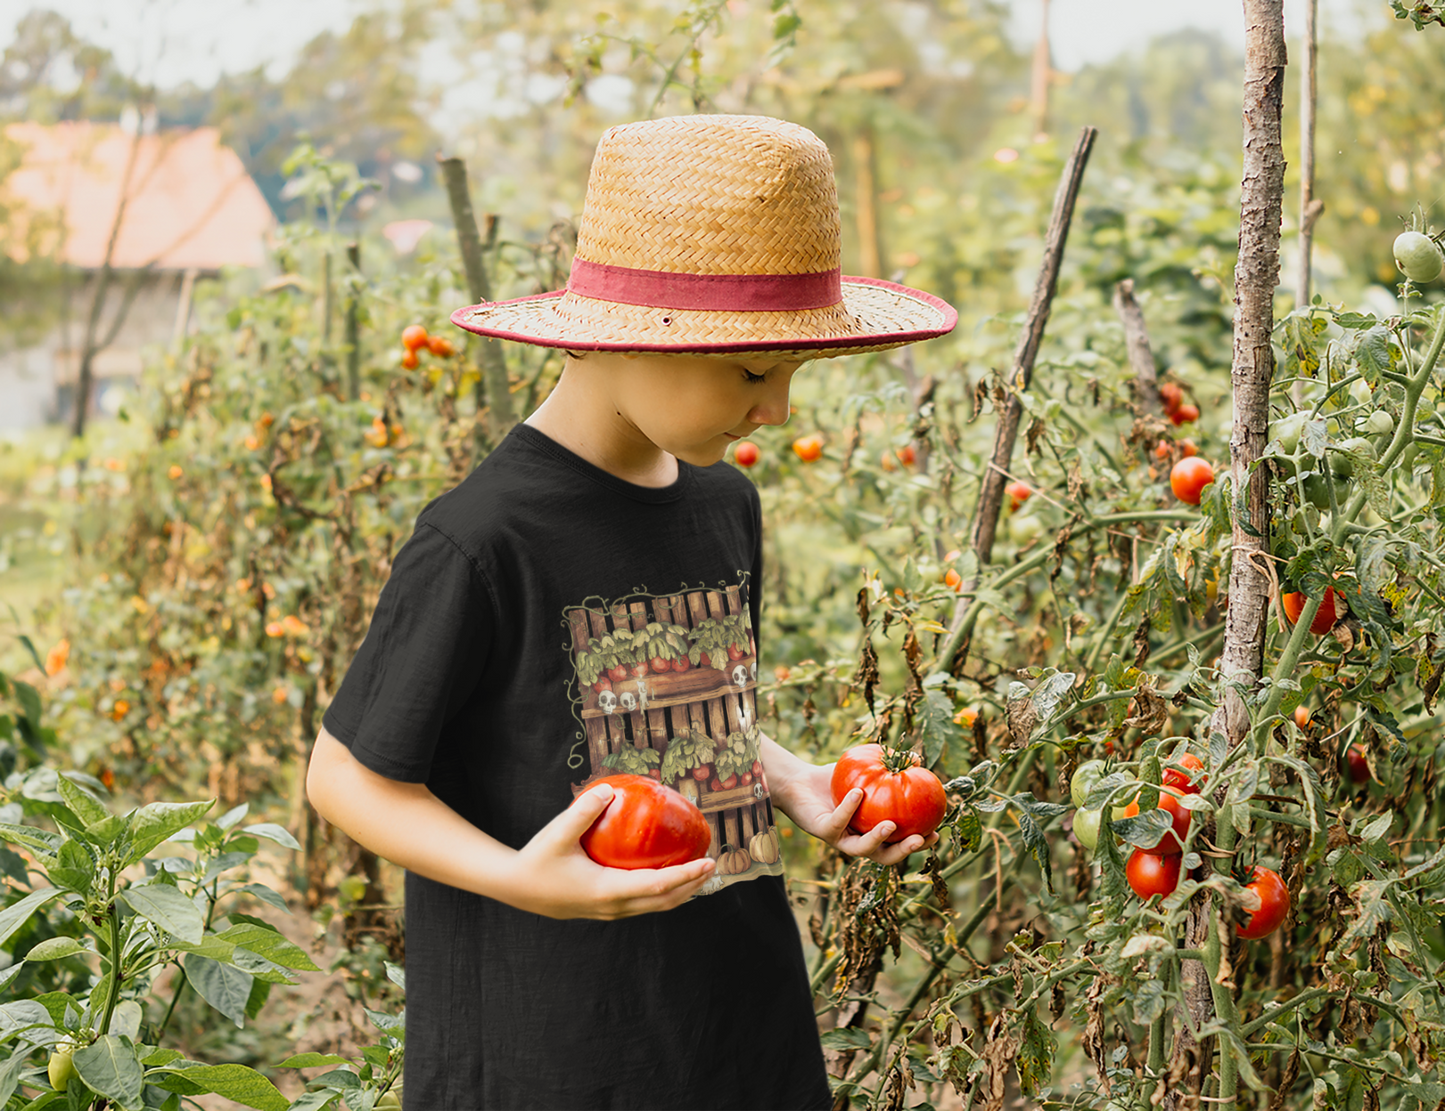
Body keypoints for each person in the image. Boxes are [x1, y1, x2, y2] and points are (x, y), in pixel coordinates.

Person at [306, 113, 957, 1110]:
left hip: (733, 1018)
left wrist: (789, 779)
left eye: (791, 372)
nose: (776, 410)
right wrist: (524, 878)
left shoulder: (720, 501)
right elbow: (347, 775)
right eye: (749, 372)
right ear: (622, 340)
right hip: (554, 1044)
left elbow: (688, 706)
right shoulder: (485, 538)